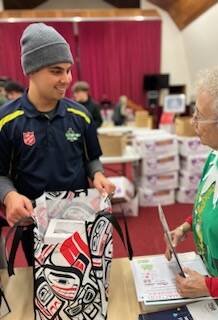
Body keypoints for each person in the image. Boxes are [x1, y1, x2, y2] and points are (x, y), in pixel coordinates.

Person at [0, 23, 115, 264]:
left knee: (79, 276)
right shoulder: (7, 121)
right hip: (33, 223)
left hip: (78, 216)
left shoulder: (81, 115)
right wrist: (9, 196)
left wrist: (98, 175)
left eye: (68, 70)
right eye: (56, 71)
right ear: (31, 71)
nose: (66, 79)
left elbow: (91, 159)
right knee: (42, 283)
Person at [165, 65, 218, 318]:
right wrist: (186, 227)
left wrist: (208, 286)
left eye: (199, 116)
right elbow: (210, 205)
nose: (192, 122)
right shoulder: (214, 157)